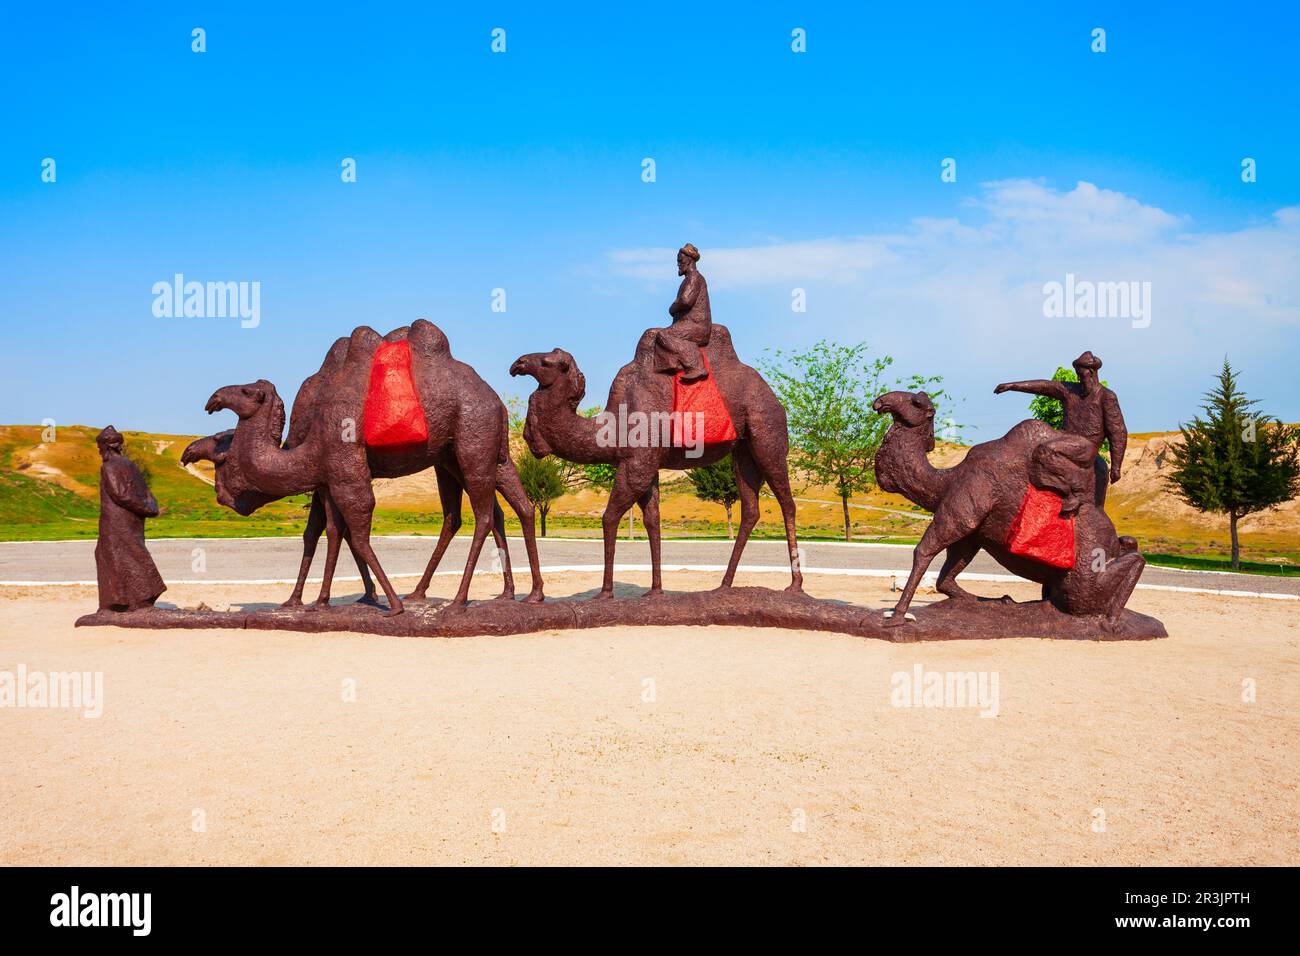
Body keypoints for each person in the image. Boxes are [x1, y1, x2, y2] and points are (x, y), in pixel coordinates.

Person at [993, 351, 1128, 517]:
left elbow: (1118, 432)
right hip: (1065, 441)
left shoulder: (1106, 396)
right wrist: (1012, 386)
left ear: (1092, 373)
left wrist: (1116, 465)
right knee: (1032, 447)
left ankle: (1077, 491)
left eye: (1081, 374)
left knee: (1046, 450)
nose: (1079, 378)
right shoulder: (1069, 390)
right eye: (1077, 374)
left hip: (1087, 446)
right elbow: (1044, 386)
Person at [93, 425, 167, 611]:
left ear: (107, 446)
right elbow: (146, 492)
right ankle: (126, 601)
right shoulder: (129, 464)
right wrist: (150, 507)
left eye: (100, 447)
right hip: (132, 519)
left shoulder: (109, 466)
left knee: (115, 555)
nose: (99, 451)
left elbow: (120, 494)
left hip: (116, 521)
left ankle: (128, 601)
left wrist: (147, 508)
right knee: (131, 553)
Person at [654, 243, 711, 382]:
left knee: (663, 335)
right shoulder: (688, 279)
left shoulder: (694, 278)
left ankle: (695, 365)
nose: (678, 264)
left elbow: (685, 301)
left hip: (696, 326)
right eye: (678, 261)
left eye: (681, 260)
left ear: (689, 260)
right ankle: (673, 364)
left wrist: (672, 308)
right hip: (688, 324)